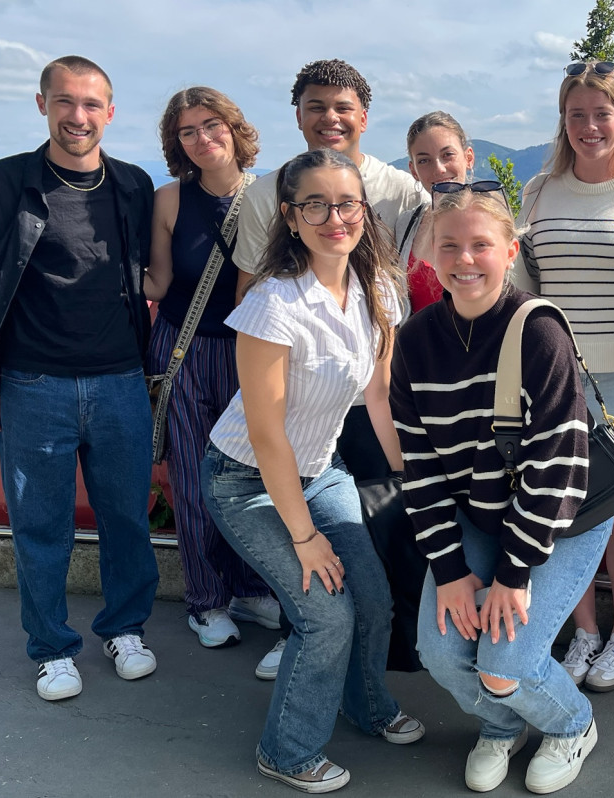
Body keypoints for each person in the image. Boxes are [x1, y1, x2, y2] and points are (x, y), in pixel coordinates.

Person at [202, 149, 423, 793]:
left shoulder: (379, 289)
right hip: (246, 480)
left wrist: (412, 475)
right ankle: (289, 750)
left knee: (374, 597)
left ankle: (366, 704)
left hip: (319, 470)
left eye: (347, 203)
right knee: (326, 615)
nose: (335, 217)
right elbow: (268, 436)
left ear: (365, 210)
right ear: (291, 217)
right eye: (316, 205)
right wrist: (304, 536)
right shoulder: (273, 304)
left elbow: (379, 399)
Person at [0, 55, 159, 701]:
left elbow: (148, 271)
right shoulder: (3, 181)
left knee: (127, 517)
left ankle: (125, 629)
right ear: (42, 105)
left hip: (121, 378)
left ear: (110, 113)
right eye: (65, 101)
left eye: (92, 104)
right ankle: (52, 649)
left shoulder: (132, 185)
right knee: (40, 524)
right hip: (33, 381)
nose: (78, 116)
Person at [391, 186, 610, 794]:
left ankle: (572, 723)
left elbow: (557, 463)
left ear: (509, 251)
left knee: (506, 658)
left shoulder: (536, 331)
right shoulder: (413, 343)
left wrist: (513, 576)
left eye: (481, 245)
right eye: (450, 245)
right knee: (439, 649)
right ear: (430, 258)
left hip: (562, 518)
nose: (465, 259)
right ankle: (503, 722)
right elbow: (422, 467)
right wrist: (452, 568)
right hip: (478, 515)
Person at [232, 59, 426, 677]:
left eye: (343, 108)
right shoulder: (265, 192)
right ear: (298, 116)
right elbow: (248, 286)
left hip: (365, 369)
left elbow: (437, 261)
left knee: (382, 512)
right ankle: (305, 632)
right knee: (300, 519)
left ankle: (388, 647)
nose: (330, 118)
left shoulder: (398, 190)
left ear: (364, 117)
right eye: (316, 107)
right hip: (300, 371)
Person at [520, 60, 614, 692]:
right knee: (565, 517)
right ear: (563, 121)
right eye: (577, 114)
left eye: (601, 113)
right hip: (557, 381)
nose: (590, 126)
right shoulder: (538, 192)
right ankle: (582, 630)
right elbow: (525, 285)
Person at [142, 87, 279, 649]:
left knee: (254, 476)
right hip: (185, 350)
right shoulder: (170, 200)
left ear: (234, 127)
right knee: (195, 481)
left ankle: (249, 586)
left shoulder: (269, 195)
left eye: (211, 125)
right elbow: (157, 282)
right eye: (188, 131)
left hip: (254, 349)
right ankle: (206, 599)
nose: (202, 139)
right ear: (177, 143)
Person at [398, 110, 479, 313]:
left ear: (468, 158)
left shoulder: (491, 221)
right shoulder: (406, 225)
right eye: (424, 160)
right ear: (413, 170)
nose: (439, 169)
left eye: (447, 155)